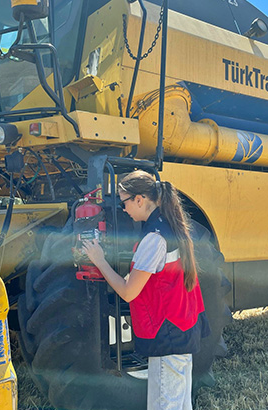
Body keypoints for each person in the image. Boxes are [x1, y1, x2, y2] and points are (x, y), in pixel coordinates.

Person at [83, 170, 208, 409]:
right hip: (182, 329)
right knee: (180, 403)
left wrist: (99, 260)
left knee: (164, 404)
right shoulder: (170, 227)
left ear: (139, 199)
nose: (124, 209)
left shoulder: (154, 239)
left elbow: (128, 292)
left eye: (124, 202)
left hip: (167, 335)